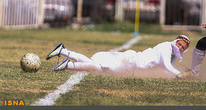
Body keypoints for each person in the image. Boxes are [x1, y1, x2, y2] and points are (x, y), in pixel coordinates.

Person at [46, 35, 190, 77]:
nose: (180, 47)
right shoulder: (166, 46)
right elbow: (165, 64)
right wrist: (179, 74)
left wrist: (175, 75)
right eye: (180, 44)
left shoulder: (172, 54)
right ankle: (67, 65)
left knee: (95, 64)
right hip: (130, 62)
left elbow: (163, 68)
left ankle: (63, 51)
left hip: (130, 60)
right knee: (98, 68)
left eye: (183, 47)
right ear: (175, 40)